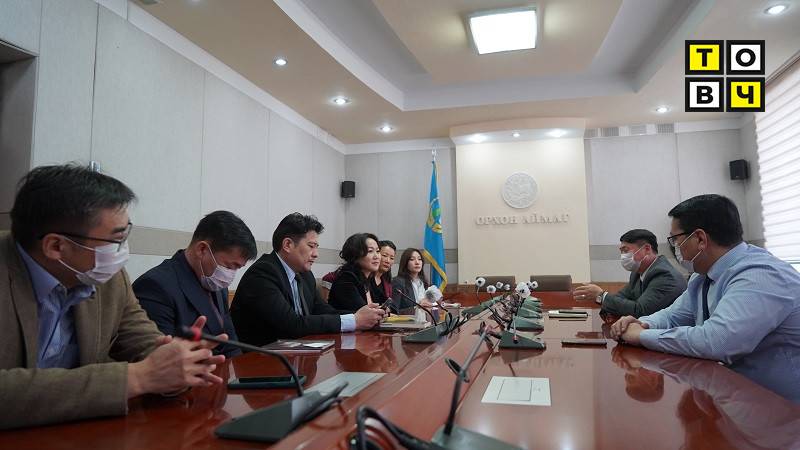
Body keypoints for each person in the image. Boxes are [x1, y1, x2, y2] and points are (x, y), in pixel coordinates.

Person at [0, 165, 224, 430]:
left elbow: (140, 339)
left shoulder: (109, 277)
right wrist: (135, 378)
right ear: (56, 246)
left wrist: (177, 360)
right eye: (116, 239)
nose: (122, 250)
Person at [611, 194, 800, 402]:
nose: (675, 247)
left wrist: (641, 336)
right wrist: (643, 323)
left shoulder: (761, 274)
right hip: (732, 396)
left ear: (700, 239)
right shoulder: (702, 275)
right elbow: (674, 315)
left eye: (675, 240)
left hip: (780, 409)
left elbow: (718, 341)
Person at [230, 213, 385, 346]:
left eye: (317, 247)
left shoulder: (305, 275)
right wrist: (354, 320)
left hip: (297, 354)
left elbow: (323, 310)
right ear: (288, 244)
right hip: (261, 360)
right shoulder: (263, 273)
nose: (316, 254)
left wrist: (366, 316)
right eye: (311, 246)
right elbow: (292, 325)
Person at [133, 210, 257, 357]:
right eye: (229, 266)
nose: (230, 275)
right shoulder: (155, 286)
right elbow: (161, 357)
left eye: (237, 268)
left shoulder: (216, 282)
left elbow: (230, 342)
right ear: (202, 249)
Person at [573, 229, 686, 317]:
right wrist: (601, 298)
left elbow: (640, 311)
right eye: (621, 251)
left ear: (647, 249)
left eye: (626, 250)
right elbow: (620, 298)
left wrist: (601, 296)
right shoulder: (637, 273)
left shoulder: (665, 276)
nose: (623, 256)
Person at [327, 233, 381, 312]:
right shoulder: (346, 278)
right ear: (355, 254)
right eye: (370, 251)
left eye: (378, 251)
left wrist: (385, 309)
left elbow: (383, 303)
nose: (376, 256)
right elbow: (362, 312)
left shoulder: (369, 278)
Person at [370, 240, 396, 305]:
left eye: (391, 258)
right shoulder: (366, 278)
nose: (388, 261)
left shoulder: (388, 283)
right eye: (384, 255)